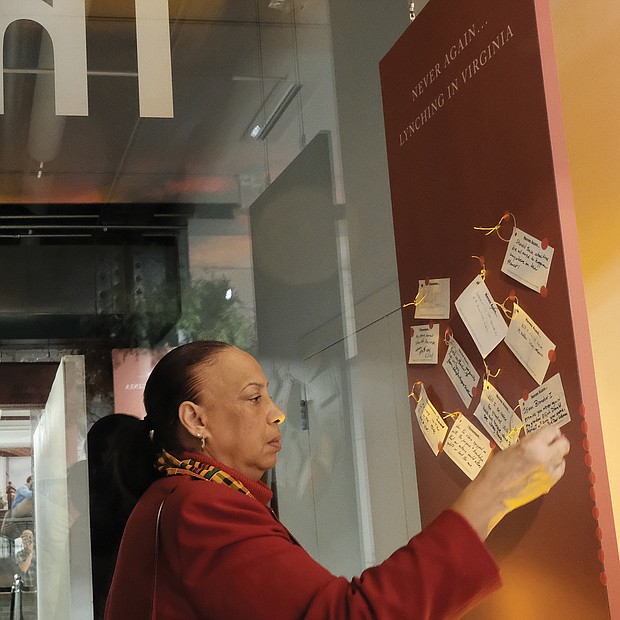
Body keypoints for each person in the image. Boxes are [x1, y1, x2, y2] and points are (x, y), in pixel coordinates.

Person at [103, 341, 569, 619]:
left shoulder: (179, 497)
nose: (277, 413)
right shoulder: (196, 508)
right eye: (253, 398)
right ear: (195, 420)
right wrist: (489, 495)